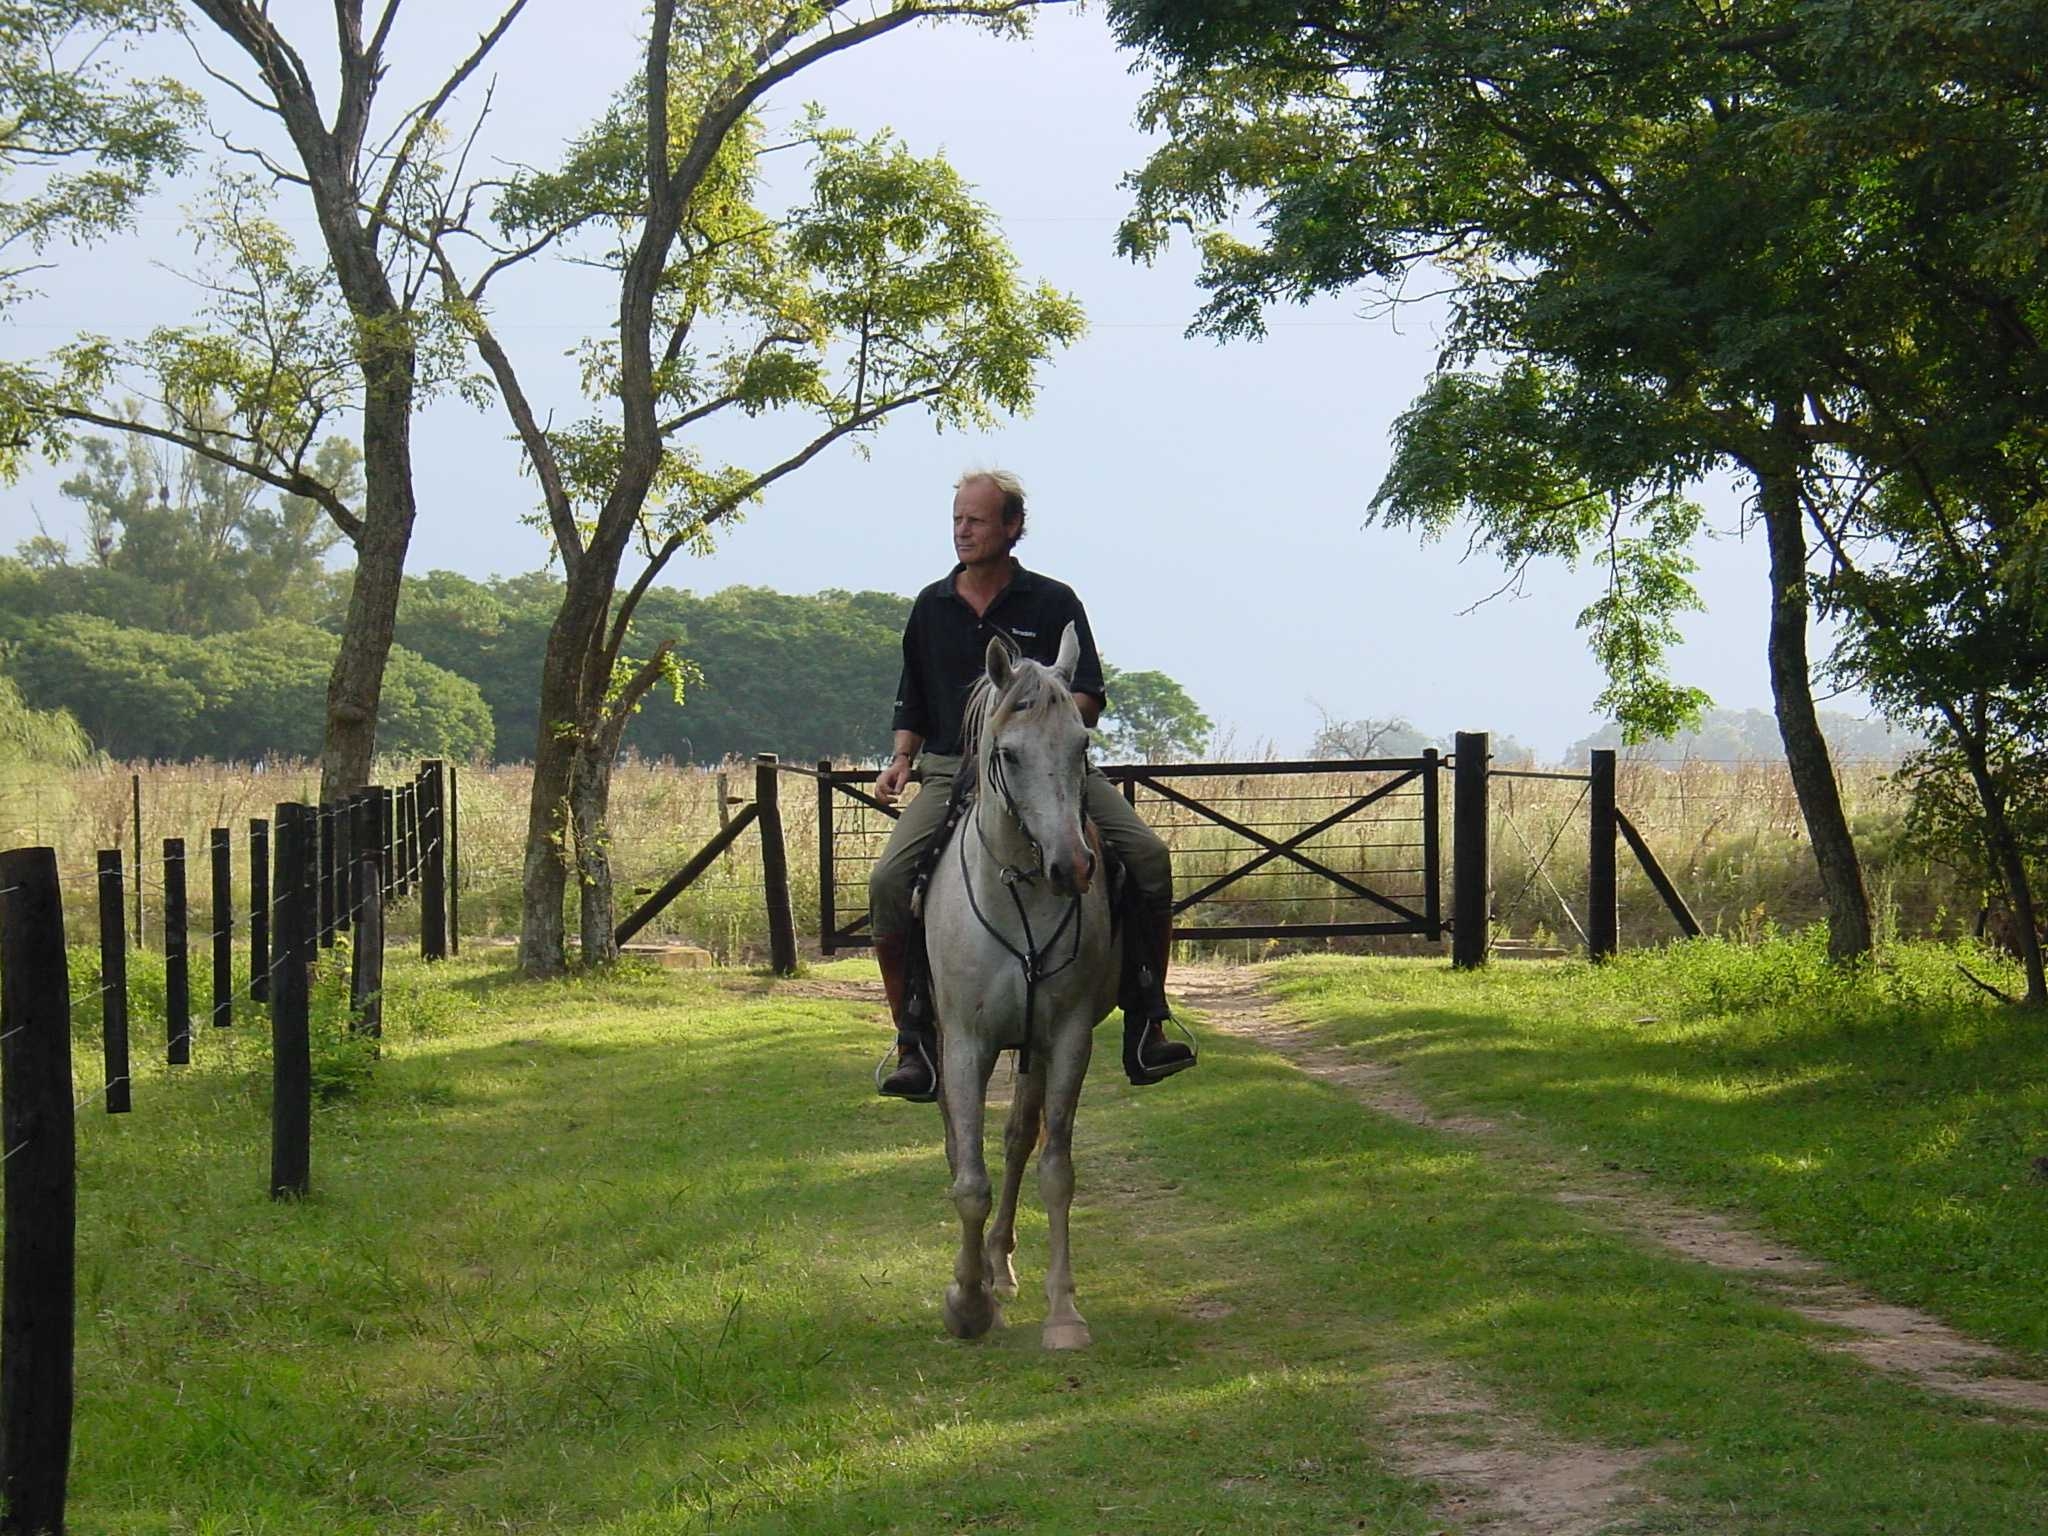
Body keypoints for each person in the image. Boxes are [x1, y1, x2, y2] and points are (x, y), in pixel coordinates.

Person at [869, 468, 1196, 1101]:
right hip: (949, 771)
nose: (963, 531)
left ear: (1013, 528)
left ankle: (1147, 1017)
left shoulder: (1053, 602)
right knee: (886, 882)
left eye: (977, 520)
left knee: (1149, 858)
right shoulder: (931, 606)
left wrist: (1041, 718)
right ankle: (913, 1039)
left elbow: (1089, 696)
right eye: (958, 519)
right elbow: (912, 698)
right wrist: (901, 757)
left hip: (1045, 767)